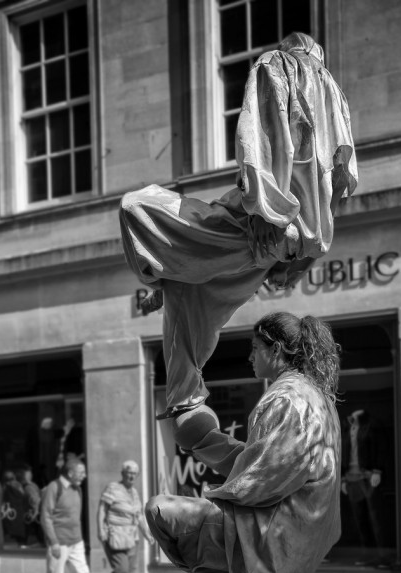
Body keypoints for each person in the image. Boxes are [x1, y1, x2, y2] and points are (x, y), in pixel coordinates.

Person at [120, 32, 357, 418]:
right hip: (276, 248)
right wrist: (297, 260)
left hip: (256, 226)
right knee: (188, 294)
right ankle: (184, 397)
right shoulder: (335, 94)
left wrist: (267, 212)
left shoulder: (278, 65)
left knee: (136, 207)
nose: (251, 355)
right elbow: (339, 187)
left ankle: (183, 392)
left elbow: (259, 136)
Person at [146, 312, 341, 573]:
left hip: (276, 528)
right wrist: (208, 442)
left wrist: (217, 495)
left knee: (162, 511)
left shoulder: (288, 398)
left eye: (255, 348)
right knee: (208, 555)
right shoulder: (305, 394)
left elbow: (264, 476)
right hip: (288, 522)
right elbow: (259, 461)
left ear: (277, 349)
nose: (249, 356)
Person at [40, 458, 107, 573]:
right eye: (81, 472)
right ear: (70, 473)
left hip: (76, 541)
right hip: (59, 542)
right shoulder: (54, 487)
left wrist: (79, 539)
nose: (84, 476)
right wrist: (53, 541)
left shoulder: (77, 489)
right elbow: (45, 516)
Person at [97, 460, 154, 573]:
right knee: (121, 569)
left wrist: (147, 534)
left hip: (132, 537)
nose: (131, 476)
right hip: (115, 535)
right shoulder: (112, 488)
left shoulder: (134, 492)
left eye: (134, 473)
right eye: (129, 473)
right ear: (122, 473)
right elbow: (102, 509)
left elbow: (139, 515)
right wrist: (100, 529)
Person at [340, 408, 387, 566]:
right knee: (360, 520)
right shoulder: (348, 428)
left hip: (368, 478)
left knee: (376, 519)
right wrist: (343, 479)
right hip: (352, 479)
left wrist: (378, 470)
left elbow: (381, 448)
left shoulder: (370, 425)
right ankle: (368, 554)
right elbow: (342, 452)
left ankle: (383, 555)